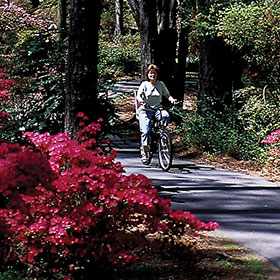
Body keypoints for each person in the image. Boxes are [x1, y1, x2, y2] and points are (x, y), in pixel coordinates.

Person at [136, 64, 176, 163]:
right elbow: (138, 96)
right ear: (147, 75)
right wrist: (141, 100)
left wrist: (171, 99)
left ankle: (162, 133)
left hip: (157, 109)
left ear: (157, 75)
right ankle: (144, 152)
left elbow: (167, 95)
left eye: (154, 73)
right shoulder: (144, 84)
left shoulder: (160, 84)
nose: (152, 75)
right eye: (150, 73)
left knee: (165, 115)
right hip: (146, 109)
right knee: (145, 131)